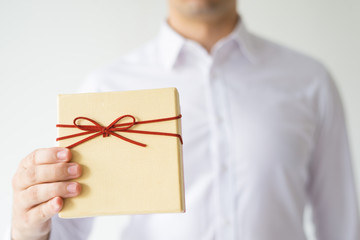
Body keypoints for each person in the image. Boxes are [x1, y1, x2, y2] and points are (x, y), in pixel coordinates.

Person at [9, 0, 360, 239]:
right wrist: (30, 227)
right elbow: (67, 229)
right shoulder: (106, 88)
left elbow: (343, 227)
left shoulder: (310, 81)